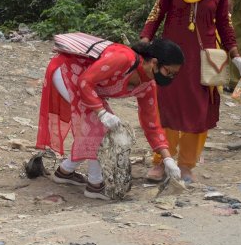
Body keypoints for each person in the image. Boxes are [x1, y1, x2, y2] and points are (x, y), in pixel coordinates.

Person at [141, 0, 241, 182]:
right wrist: (145, 40)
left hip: (204, 60)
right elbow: (156, 13)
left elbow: (225, 23)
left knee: (198, 111)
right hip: (169, 57)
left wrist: (235, 55)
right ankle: (161, 161)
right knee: (166, 107)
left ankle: (186, 165)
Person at [36, 38, 185, 200]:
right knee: (98, 127)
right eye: (168, 72)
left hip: (86, 83)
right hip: (68, 70)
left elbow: (152, 124)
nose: (170, 77)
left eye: (173, 75)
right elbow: (85, 82)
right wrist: (101, 113)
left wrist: (167, 158)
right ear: (154, 62)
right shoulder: (123, 59)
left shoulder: (147, 86)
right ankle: (95, 184)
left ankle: (65, 172)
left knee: (101, 126)